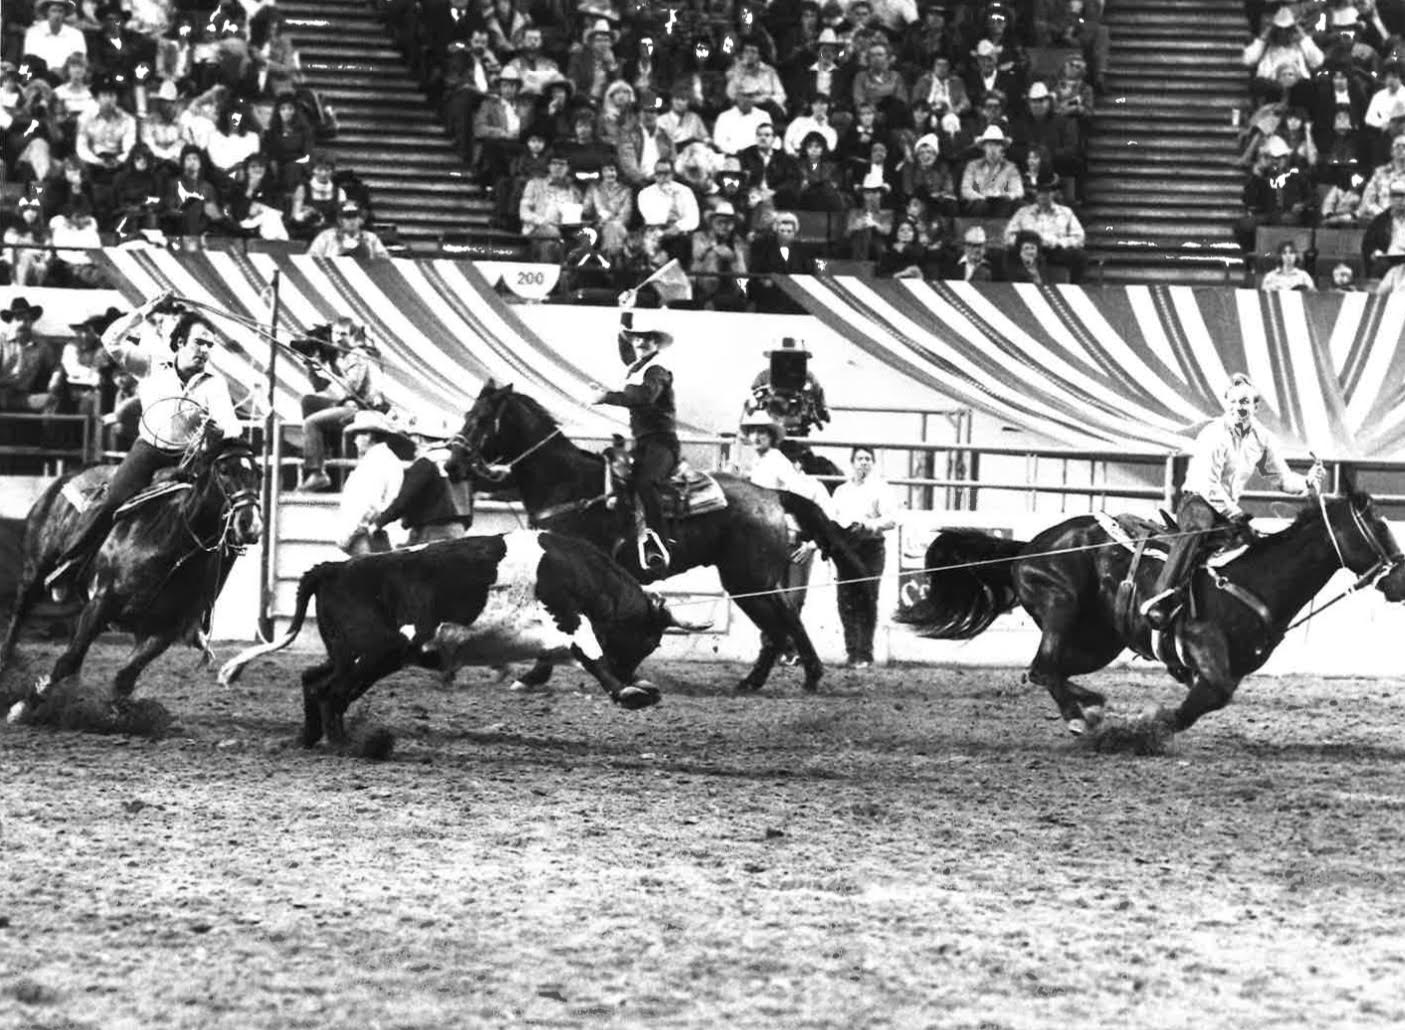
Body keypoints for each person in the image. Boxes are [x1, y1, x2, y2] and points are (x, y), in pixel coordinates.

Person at [44, 292, 245, 600]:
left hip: (186, 460)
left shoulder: (214, 384)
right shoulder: (151, 364)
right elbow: (111, 341)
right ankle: (70, 564)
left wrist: (218, 429)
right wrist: (147, 309)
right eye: (198, 343)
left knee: (218, 517)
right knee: (112, 502)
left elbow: (231, 426)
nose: (204, 350)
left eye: (209, 345)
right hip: (148, 452)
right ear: (180, 344)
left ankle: (200, 603)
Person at [1142, 373, 1327, 629]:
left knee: (1257, 547)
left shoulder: (1262, 439)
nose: (1239, 407)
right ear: (1226, 404)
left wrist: (1306, 481)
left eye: (1245, 402)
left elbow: (1281, 479)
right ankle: (1161, 598)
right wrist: (1235, 513)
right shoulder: (1213, 435)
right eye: (1234, 402)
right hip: (1197, 502)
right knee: (1200, 526)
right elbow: (1208, 487)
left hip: (1227, 511)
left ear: (1256, 406)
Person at [589, 298, 678, 570]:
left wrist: (607, 396)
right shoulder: (639, 365)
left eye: (646, 339)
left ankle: (659, 542)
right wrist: (625, 310)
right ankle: (627, 537)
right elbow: (624, 350)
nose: (639, 343)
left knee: (645, 483)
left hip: (663, 444)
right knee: (618, 482)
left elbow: (644, 397)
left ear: (655, 342)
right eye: (636, 338)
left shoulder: (656, 370)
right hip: (644, 442)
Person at [739, 413, 836, 663]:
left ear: (771, 436)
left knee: (792, 598)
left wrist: (806, 536)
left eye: (763, 432)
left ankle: (787, 648)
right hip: (767, 541)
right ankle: (779, 649)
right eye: (753, 432)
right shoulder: (758, 464)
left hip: (791, 537)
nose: (757, 436)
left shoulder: (776, 461)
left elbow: (798, 494)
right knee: (771, 597)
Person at [297, 319, 389, 491]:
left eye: (343, 334)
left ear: (352, 336)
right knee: (309, 401)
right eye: (336, 334)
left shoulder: (357, 355)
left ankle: (316, 472)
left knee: (311, 422)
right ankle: (322, 450)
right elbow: (324, 389)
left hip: (360, 409)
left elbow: (351, 389)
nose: (338, 339)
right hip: (354, 406)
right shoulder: (347, 357)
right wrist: (312, 368)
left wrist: (327, 373)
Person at [831, 445, 897, 668]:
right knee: (845, 600)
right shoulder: (841, 491)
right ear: (852, 462)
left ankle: (865, 653)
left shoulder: (881, 488)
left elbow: (891, 519)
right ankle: (852, 652)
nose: (864, 463)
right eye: (859, 458)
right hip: (847, 547)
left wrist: (868, 525)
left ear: (873, 463)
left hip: (871, 546)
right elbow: (833, 518)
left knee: (867, 598)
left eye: (868, 459)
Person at [371, 420, 473, 546]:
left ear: (420, 439)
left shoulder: (425, 463)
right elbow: (469, 499)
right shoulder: (459, 462)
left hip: (431, 531)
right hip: (459, 531)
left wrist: (379, 522)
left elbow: (405, 499)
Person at [336, 410, 411, 555]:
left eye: (358, 434)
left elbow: (369, 506)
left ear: (368, 436)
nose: (355, 440)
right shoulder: (388, 459)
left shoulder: (373, 463)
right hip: (379, 534)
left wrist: (347, 537)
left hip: (367, 538)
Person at [746, 336, 830, 438]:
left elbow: (818, 396)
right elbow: (753, 397)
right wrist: (762, 399)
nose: (787, 361)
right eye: (783, 357)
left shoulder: (808, 377)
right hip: (772, 426)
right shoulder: (764, 377)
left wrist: (820, 411)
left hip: (800, 424)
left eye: (792, 357)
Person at [0, 297, 63, 414]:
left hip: (23, 396)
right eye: (18, 319)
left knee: (51, 400)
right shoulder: (1, 342)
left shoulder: (41, 343)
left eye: (26, 319)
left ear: (31, 321)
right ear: (11, 322)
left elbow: (55, 366)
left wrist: (53, 384)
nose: (23, 323)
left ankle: (45, 432)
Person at [306, 201, 391, 259]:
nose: (351, 221)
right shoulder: (326, 237)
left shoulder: (371, 238)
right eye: (347, 217)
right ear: (340, 220)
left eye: (354, 217)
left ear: (361, 219)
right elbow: (311, 258)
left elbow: (384, 260)